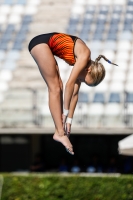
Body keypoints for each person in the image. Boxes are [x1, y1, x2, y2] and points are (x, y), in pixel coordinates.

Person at [28, 32, 118, 155]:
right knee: (55, 87)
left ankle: (59, 132)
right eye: (83, 80)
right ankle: (59, 133)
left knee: (57, 85)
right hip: (40, 44)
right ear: (89, 70)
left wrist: (69, 120)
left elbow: (75, 94)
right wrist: (64, 113)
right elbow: (69, 84)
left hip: (45, 45)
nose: (80, 81)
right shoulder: (84, 56)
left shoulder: (83, 65)